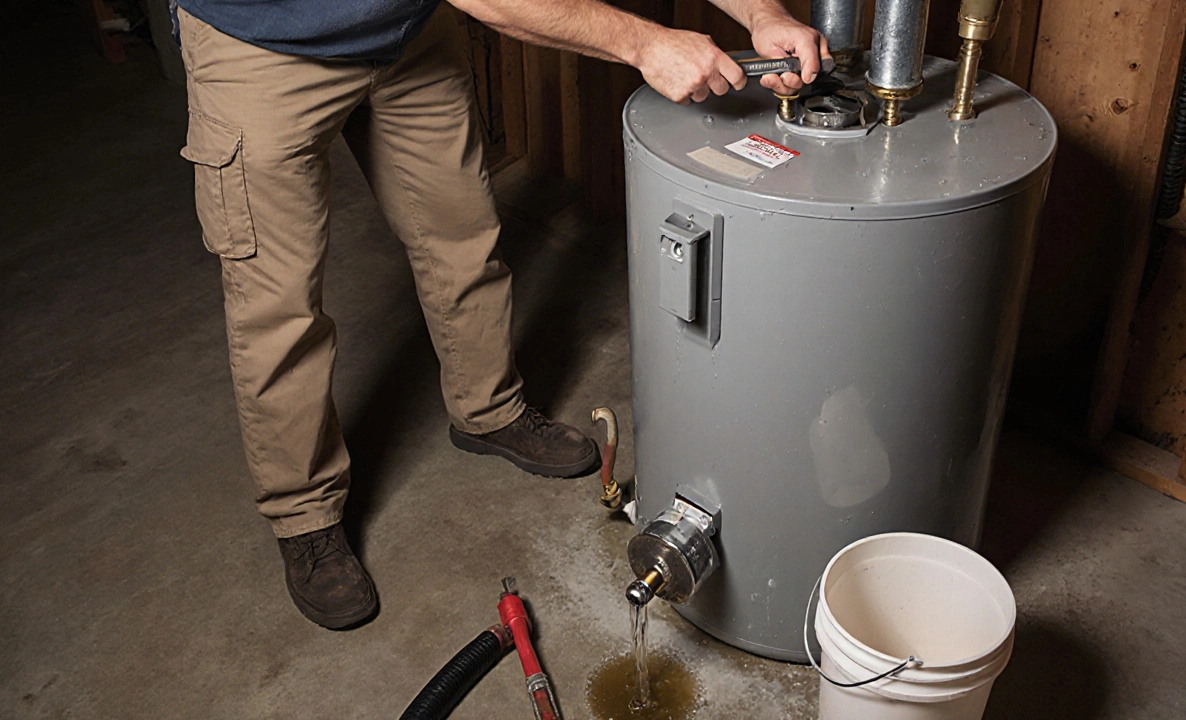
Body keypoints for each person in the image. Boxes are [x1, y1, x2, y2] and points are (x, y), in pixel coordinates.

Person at [173, 0, 826, 629]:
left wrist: (759, 11)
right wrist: (646, 44)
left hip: (406, 33)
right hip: (262, 47)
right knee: (279, 308)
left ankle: (487, 411)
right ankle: (303, 516)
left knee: (462, 238)